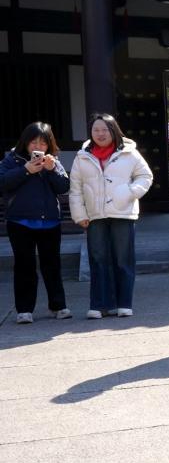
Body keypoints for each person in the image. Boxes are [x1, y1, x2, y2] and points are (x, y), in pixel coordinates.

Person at [69, 113, 153, 319]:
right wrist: (79, 215)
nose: (100, 134)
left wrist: (129, 192)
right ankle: (99, 304)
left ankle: (124, 303)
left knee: (123, 259)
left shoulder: (129, 153)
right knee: (98, 259)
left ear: (113, 130)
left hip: (123, 212)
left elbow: (145, 176)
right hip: (95, 215)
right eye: (96, 130)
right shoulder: (82, 156)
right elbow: (76, 188)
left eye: (104, 129)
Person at [0, 121, 71, 323]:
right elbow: (3, 183)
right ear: (25, 143)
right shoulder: (12, 160)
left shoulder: (54, 162)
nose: (38, 147)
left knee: (52, 265)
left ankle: (58, 306)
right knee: (24, 266)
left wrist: (50, 170)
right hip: (20, 222)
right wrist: (26, 170)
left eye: (42, 142)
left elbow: (63, 186)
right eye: (33, 142)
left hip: (49, 222)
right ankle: (24, 310)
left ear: (49, 144)